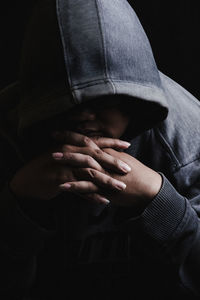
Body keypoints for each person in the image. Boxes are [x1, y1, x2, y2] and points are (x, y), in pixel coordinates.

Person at [0, 0, 200, 299]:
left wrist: (160, 201)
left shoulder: (188, 138)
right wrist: (19, 204)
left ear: (135, 102)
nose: (82, 115)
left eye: (104, 99)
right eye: (63, 100)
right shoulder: (7, 136)